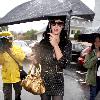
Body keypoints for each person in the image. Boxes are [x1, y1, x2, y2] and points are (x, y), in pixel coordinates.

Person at [30, 16, 72, 100]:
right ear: (50, 25)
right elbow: (38, 63)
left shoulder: (66, 43)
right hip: (44, 79)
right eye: (53, 23)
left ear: (63, 26)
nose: (56, 26)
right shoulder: (43, 42)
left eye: (59, 23)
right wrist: (34, 59)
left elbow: (64, 64)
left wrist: (55, 45)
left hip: (58, 80)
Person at [0, 31, 25, 100]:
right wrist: (1, 53)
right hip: (6, 78)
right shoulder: (1, 50)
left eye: (7, 39)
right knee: (7, 97)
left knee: (18, 95)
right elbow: (1, 62)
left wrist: (11, 51)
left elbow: (22, 57)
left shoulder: (17, 48)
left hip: (17, 76)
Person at [83, 33, 100, 100]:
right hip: (94, 79)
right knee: (92, 96)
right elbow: (86, 65)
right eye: (95, 41)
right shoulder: (90, 52)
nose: (97, 43)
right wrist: (96, 57)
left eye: (99, 41)